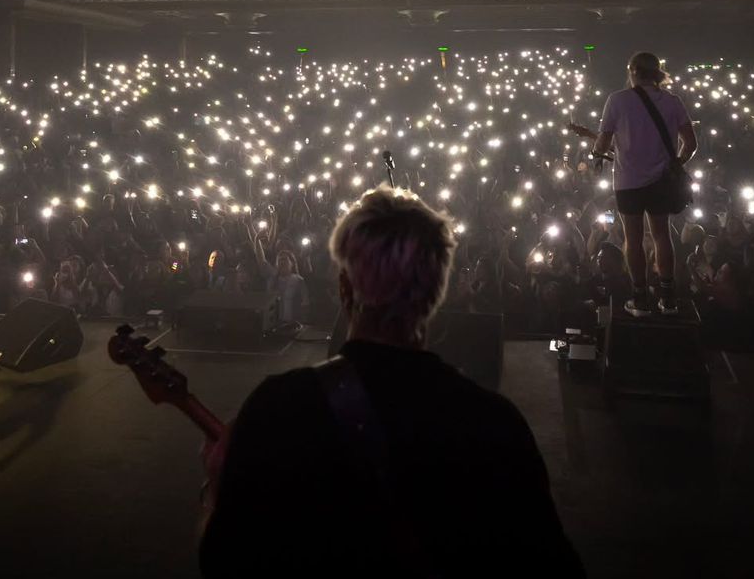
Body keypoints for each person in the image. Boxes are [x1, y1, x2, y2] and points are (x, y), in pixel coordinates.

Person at [198, 186, 583, 578]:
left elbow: (224, 563)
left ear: (344, 290)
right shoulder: (495, 423)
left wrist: (219, 488)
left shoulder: (278, 409)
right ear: (435, 294)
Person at [592, 51, 697, 317]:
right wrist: (677, 163)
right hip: (661, 181)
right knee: (662, 235)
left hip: (628, 182)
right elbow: (691, 143)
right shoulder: (672, 102)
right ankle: (668, 297)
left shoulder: (617, 100)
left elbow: (603, 143)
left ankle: (639, 299)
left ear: (633, 71)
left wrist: (597, 151)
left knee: (634, 239)